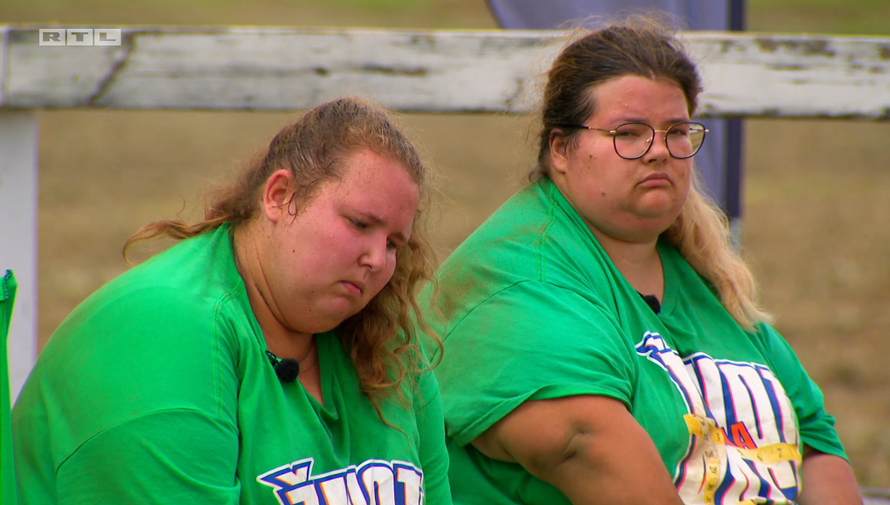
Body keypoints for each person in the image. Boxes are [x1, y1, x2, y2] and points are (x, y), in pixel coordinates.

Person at [418, 21, 863, 505]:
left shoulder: (704, 282)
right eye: (628, 134)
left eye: (676, 132)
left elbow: (815, 440)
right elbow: (583, 444)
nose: (658, 152)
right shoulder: (517, 278)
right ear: (561, 149)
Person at [12, 97, 452, 505]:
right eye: (359, 224)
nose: (377, 259)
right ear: (280, 197)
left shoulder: (391, 350)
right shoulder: (164, 331)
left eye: (394, 243)